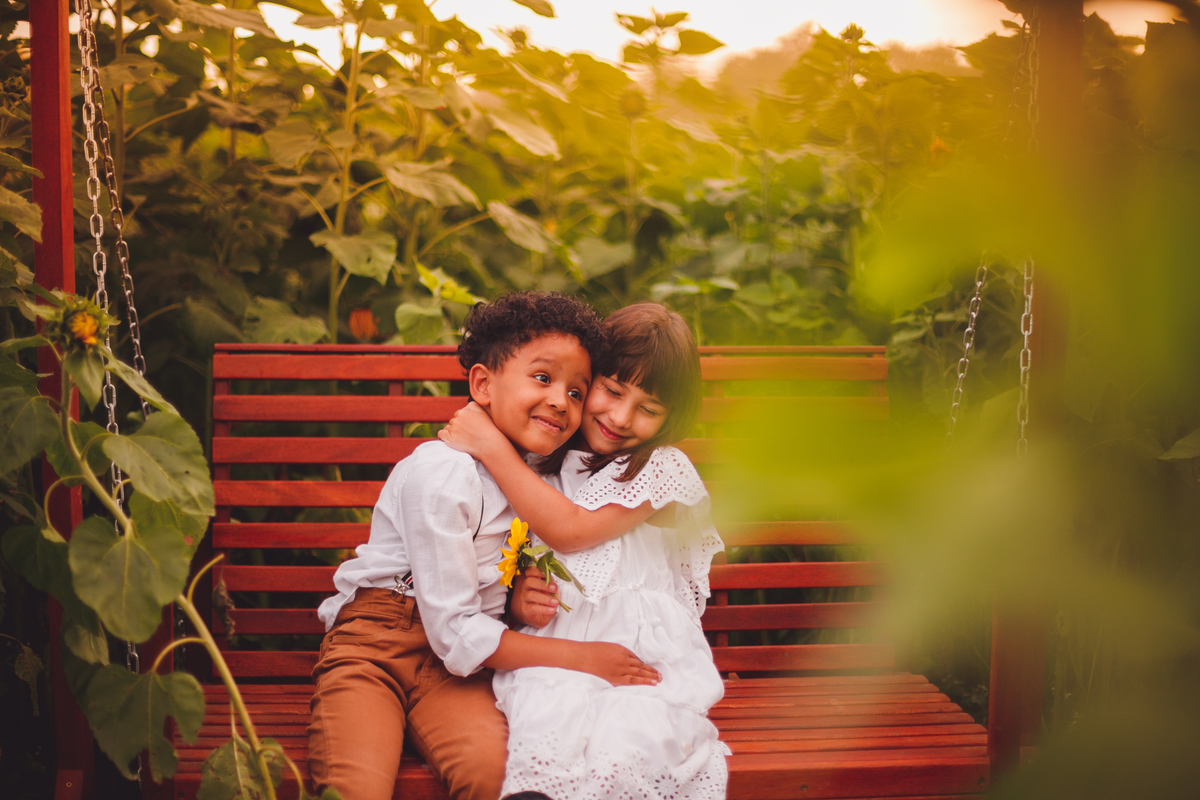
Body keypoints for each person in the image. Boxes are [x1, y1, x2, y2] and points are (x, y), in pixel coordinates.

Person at [307, 292, 662, 800]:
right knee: (355, 786)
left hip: (461, 669)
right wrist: (584, 658)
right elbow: (453, 628)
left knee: (497, 780)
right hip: (376, 647)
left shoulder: (534, 482)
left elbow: (482, 609)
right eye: (543, 378)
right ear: (482, 384)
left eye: (578, 392)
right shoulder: (442, 472)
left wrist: (519, 597)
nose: (562, 401)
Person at [439, 303, 730, 799]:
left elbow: (571, 532)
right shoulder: (545, 465)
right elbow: (518, 565)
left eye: (649, 408)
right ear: (588, 378)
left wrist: (491, 445)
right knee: (544, 725)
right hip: (557, 655)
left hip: (642, 658)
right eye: (612, 390)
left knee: (629, 739)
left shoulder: (659, 467)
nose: (621, 417)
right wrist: (518, 599)